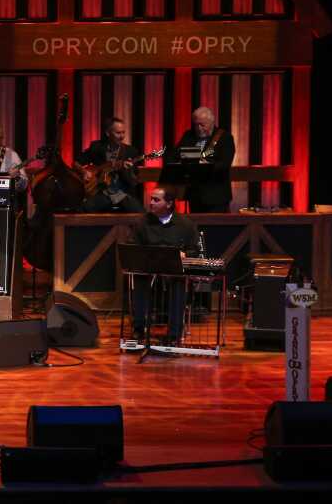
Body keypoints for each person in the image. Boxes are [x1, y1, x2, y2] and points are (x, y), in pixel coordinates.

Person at [127, 187, 199, 344]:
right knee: (139, 279)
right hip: (148, 267)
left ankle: (174, 333)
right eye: (151, 199)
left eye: (156, 200)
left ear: (169, 203)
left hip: (173, 269)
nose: (151, 203)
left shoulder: (185, 224)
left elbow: (195, 250)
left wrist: (185, 255)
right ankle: (139, 328)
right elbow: (132, 245)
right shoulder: (143, 222)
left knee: (178, 283)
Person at [171, 107, 235, 213]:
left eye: (202, 124)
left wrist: (207, 166)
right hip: (195, 194)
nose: (199, 128)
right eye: (196, 124)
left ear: (211, 122)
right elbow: (174, 155)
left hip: (216, 195)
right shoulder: (189, 135)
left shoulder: (224, 137)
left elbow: (225, 164)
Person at [76, 117, 143, 213]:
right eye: (118, 133)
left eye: (123, 132)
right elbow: (76, 163)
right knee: (80, 211)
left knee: (141, 214)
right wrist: (84, 172)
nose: (122, 136)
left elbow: (133, 181)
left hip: (122, 194)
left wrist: (127, 170)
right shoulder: (97, 147)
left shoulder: (131, 152)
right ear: (108, 133)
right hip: (101, 192)